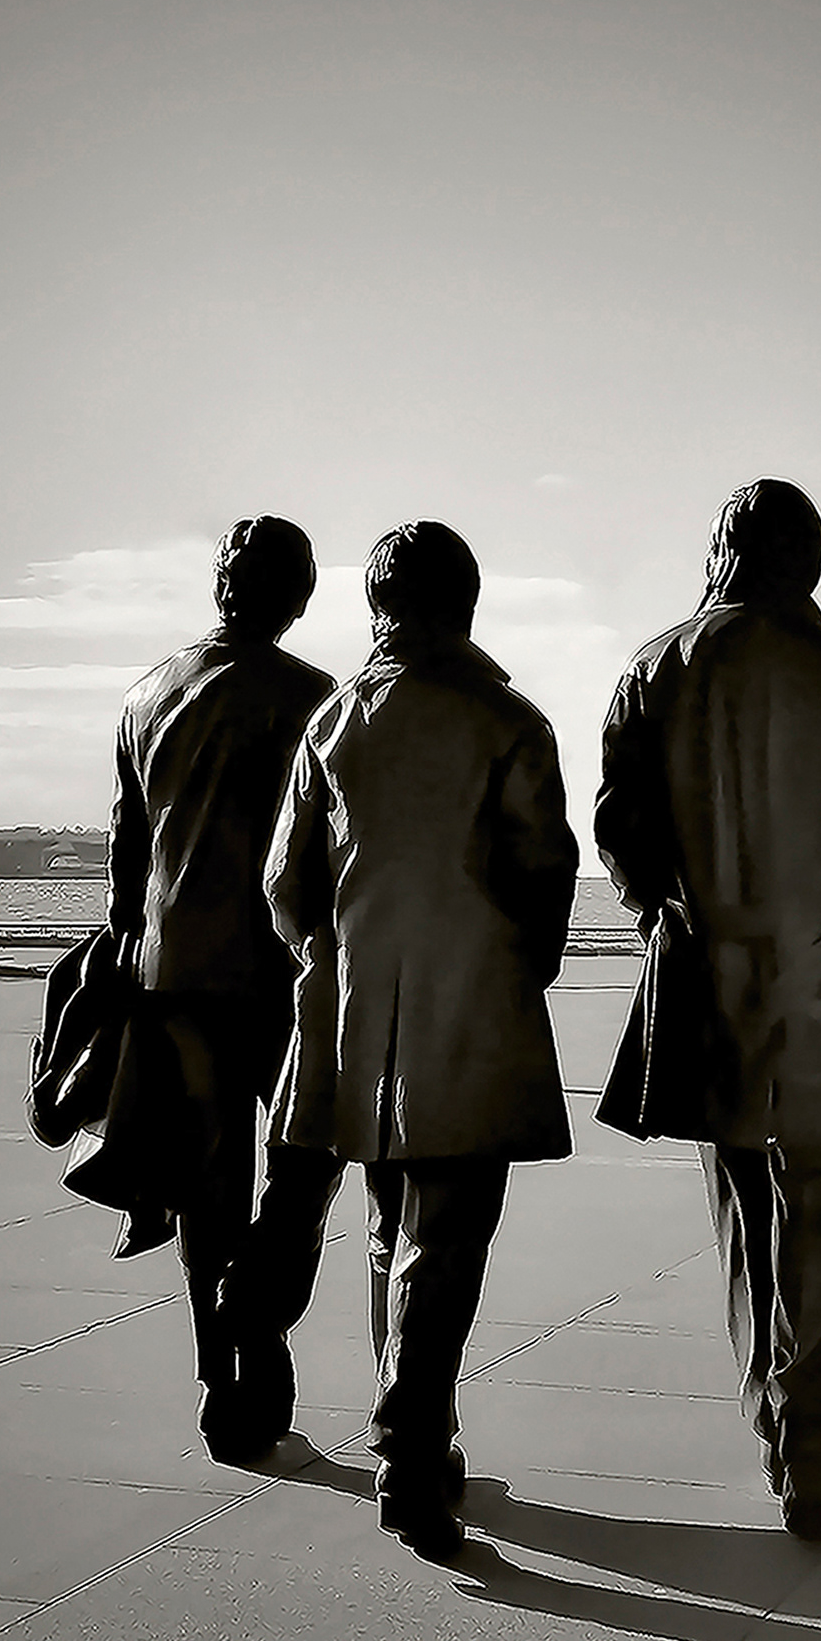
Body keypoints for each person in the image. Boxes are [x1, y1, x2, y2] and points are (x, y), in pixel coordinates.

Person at [595, 479, 821, 1542]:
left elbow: (620, 827)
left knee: (746, 1209)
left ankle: (773, 1417)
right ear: (812, 557)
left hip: (708, 970)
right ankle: (813, 1432)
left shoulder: (653, 669)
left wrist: (665, 910)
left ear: (719, 554)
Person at [264, 520, 578, 1562]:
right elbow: (543, 881)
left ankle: (420, 1438)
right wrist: (514, 968)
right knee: (445, 1239)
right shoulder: (508, 723)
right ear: (469, 605)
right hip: (467, 1013)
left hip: (358, 1019)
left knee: (386, 1232)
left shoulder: (335, 722)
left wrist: (337, 960)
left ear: (376, 610)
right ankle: (410, 1453)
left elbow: (285, 887)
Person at [104, 516, 335, 1463]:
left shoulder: (145, 695)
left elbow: (127, 861)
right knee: (304, 1158)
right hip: (279, 972)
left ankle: (220, 1372)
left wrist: (139, 946)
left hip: (172, 974)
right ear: (297, 597)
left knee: (208, 1185)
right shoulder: (316, 700)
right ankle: (260, 1323)